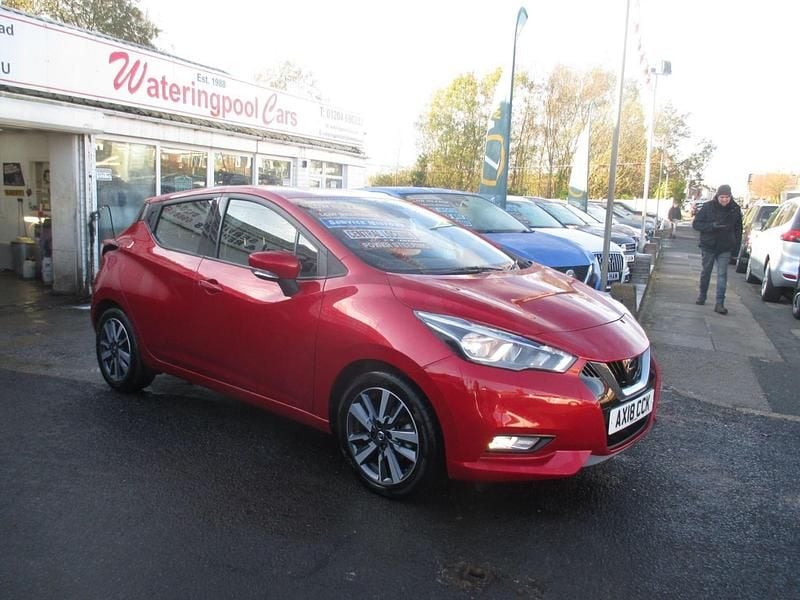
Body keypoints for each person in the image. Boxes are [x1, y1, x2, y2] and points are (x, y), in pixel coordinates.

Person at [692, 184, 743, 314]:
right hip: (708, 245)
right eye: (722, 197)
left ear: (730, 196)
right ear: (717, 196)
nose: (724, 199)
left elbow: (738, 230)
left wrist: (736, 250)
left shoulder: (735, 209)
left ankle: (720, 303)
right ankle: (702, 295)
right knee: (706, 272)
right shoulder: (708, 207)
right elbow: (696, 224)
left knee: (722, 275)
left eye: (727, 197)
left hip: (725, 246)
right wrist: (712, 226)